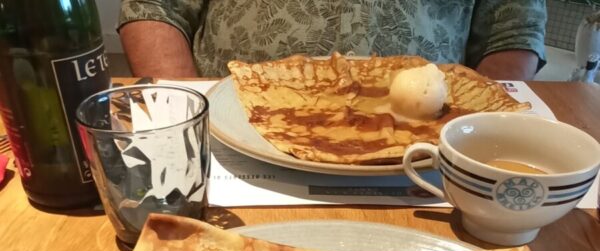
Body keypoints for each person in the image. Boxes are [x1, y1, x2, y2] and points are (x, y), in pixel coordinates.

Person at [118, 1, 546, 80]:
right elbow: (153, 7)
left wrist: (474, 131)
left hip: (427, 152)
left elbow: (514, 30)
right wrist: (191, 116)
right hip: (229, 144)